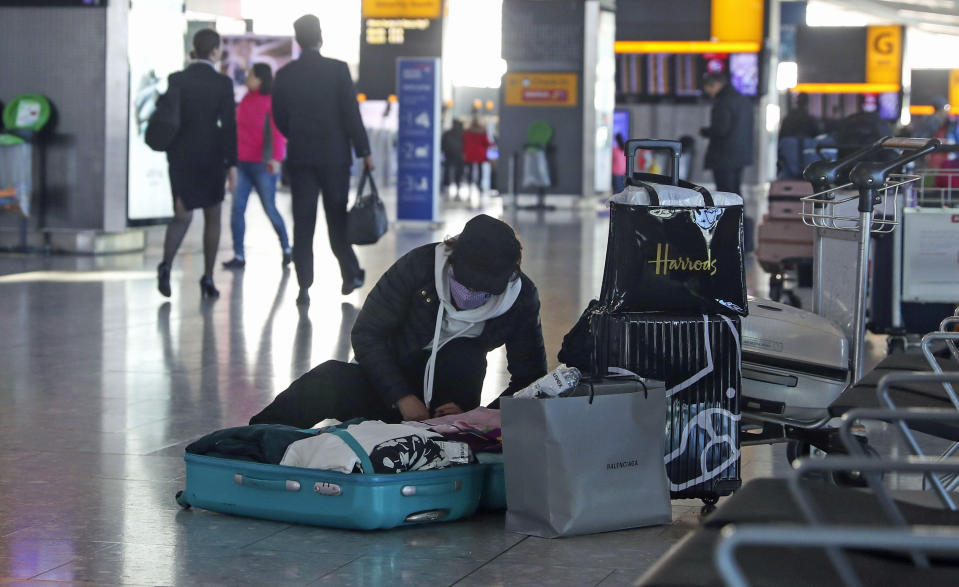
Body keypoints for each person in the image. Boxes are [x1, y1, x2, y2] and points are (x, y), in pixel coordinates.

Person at [249, 214, 548, 427]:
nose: (470, 293)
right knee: (327, 379)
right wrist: (402, 397)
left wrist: (477, 416)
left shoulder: (521, 298)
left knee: (464, 353)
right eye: (466, 283)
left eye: (482, 289)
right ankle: (250, 441)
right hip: (389, 387)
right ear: (453, 257)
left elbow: (530, 379)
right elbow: (367, 334)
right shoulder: (418, 267)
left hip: (451, 416)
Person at [272, 14, 373, 305]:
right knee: (336, 218)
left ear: (297, 40)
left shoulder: (286, 74)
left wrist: (297, 133)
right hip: (334, 157)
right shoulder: (338, 70)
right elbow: (351, 115)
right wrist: (364, 152)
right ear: (320, 38)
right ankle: (350, 274)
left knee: (303, 222)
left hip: (301, 157)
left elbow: (279, 117)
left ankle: (304, 285)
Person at [157, 28, 237, 299]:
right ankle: (208, 278)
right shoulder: (222, 84)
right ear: (215, 51)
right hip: (211, 157)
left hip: (181, 156)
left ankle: (166, 265)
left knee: (181, 213)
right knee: (212, 216)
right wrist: (231, 165)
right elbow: (228, 127)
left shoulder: (177, 79)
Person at [222, 63, 292, 270]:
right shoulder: (245, 100)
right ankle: (239, 254)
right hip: (242, 163)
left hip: (264, 165)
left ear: (260, 79)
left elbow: (278, 132)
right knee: (237, 209)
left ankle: (287, 248)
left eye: (251, 75)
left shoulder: (271, 102)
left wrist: (277, 158)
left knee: (269, 208)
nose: (247, 77)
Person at [699, 72, 754, 197]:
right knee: (735, 191)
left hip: (724, 156)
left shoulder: (723, 101)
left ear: (716, 85)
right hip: (741, 154)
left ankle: (729, 217)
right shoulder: (744, 100)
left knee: (725, 193)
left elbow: (721, 129)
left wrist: (704, 131)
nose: (708, 92)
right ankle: (740, 216)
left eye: (709, 88)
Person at [462, 115, 491, 193]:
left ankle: (469, 184)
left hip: (470, 153)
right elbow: (486, 143)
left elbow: (464, 142)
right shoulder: (482, 131)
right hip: (480, 153)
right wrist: (491, 144)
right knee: (480, 169)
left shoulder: (467, 132)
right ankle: (479, 185)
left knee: (470, 169)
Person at [441, 119, 465, 197]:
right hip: (460, 155)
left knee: (448, 170)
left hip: (449, 154)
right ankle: (457, 185)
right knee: (458, 171)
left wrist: (444, 151)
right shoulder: (463, 133)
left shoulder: (448, 133)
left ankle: (446, 185)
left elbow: (443, 143)